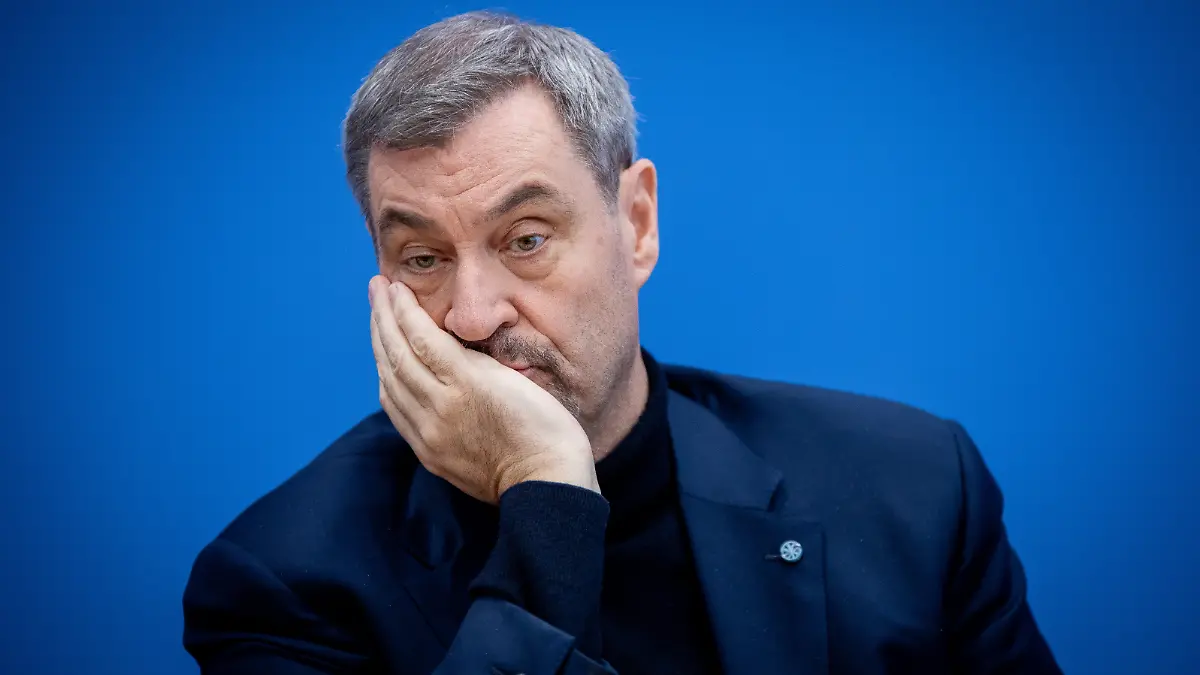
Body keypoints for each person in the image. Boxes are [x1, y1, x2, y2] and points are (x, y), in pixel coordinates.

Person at [182, 11, 1062, 675]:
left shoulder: (911, 487)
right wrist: (549, 501)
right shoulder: (285, 586)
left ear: (635, 223)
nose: (472, 314)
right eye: (422, 257)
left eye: (526, 238)